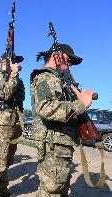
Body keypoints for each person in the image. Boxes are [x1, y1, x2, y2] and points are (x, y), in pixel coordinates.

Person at [30, 44, 94, 196]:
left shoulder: (60, 79)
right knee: (52, 189)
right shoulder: (46, 77)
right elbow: (46, 108)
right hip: (53, 144)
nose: (70, 63)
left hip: (61, 143)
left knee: (60, 188)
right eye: (69, 58)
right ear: (55, 55)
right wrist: (81, 104)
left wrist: (78, 99)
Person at [0, 52, 25, 197]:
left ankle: (2, 190)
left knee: (7, 160)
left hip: (14, 121)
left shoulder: (16, 79)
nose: (16, 63)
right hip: (2, 123)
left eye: (16, 60)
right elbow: (5, 95)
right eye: (13, 60)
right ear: (4, 62)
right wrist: (13, 74)